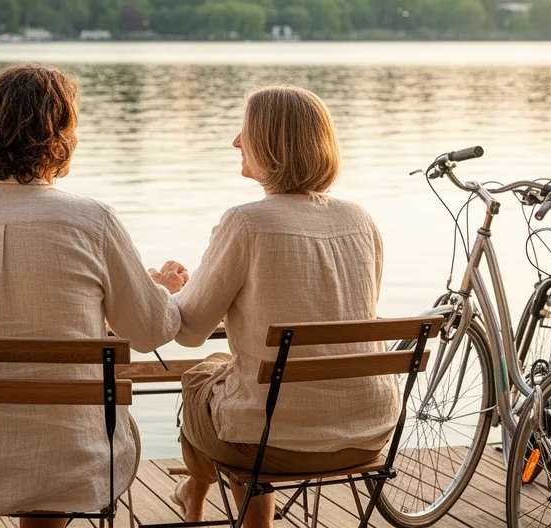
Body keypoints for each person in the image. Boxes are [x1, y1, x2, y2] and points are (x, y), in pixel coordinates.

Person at [0, 64, 187, 528]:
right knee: (53, 441)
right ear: (60, 135)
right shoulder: (92, 221)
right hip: (74, 457)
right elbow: (149, 332)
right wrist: (160, 293)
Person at [170, 85, 398, 528]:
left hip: (271, 443)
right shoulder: (361, 219)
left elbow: (189, 330)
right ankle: (192, 493)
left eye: (246, 132)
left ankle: (215, 503)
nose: (236, 141)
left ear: (271, 144)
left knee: (200, 378)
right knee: (242, 381)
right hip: (367, 433)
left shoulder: (246, 222)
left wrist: (177, 291)